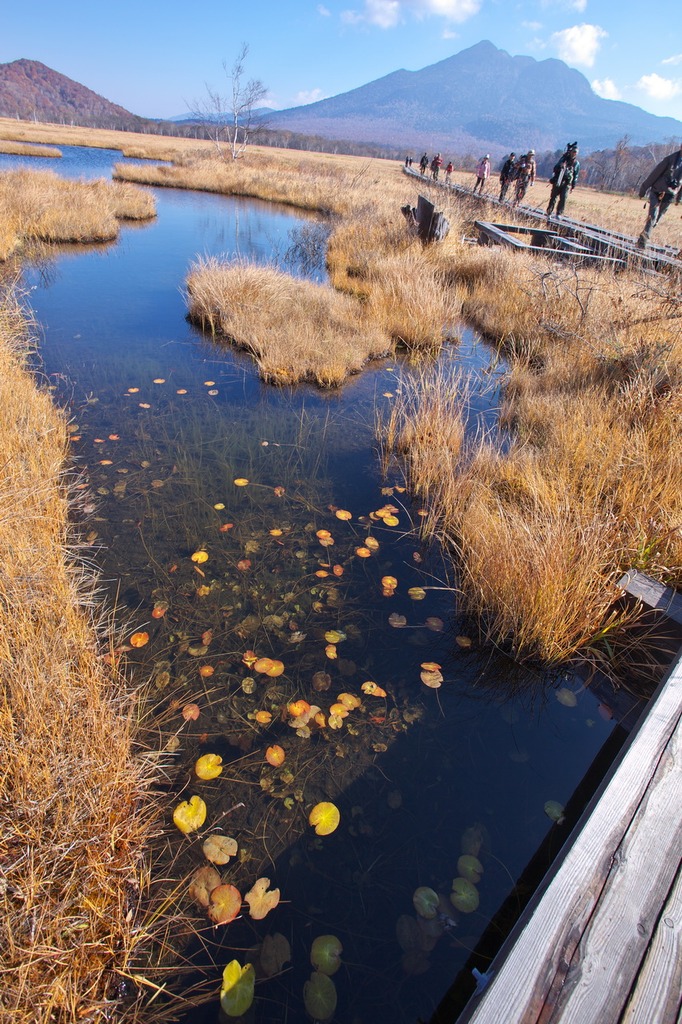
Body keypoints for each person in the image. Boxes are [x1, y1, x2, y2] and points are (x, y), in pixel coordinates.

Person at [637, 144, 682, 248]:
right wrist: (643, 189)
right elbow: (654, 174)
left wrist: (679, 198)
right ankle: (643, 241)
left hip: (670, 194)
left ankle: (643, 237)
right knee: (653, 216)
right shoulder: (669, 160)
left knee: (657, 219)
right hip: (658, 191)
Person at [546, 142, 580, 218]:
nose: (574, 153)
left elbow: (576, 175)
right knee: (554, 197)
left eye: (576, 152)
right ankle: (549, 212)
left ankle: (559, 214)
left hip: (567, 183)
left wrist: (573, 186)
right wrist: (560, 167)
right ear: (571, 152)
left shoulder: (576, 164)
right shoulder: (563, 159)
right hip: (558, 180)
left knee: (563, 198)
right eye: (573, 152)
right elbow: (555, 168)